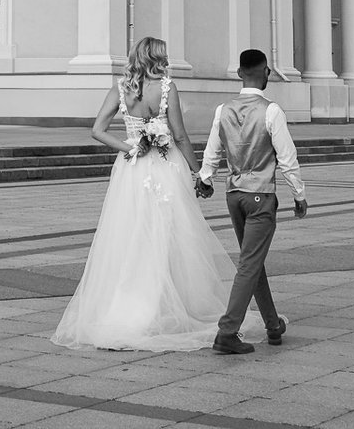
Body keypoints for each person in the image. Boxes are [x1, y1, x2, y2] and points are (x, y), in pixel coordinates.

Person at [52, 36, 232, 351]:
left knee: (131, 234)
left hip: (131, 171)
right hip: (165, 168)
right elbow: (179, 134)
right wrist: (197, 172)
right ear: (158, 57)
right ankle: (164, 304)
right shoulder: (166, 88)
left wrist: (130, 147)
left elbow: (97, 130)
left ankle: (130, 305)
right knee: (169, 234)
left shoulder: (121, 89)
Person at [196, 48, 309, 355]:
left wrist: (206, 178)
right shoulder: (271, 111)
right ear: (265, 72)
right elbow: (287, 158)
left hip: (234, 194)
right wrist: (298, 193)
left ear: (239, 73)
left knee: (252, 260)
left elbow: (212, 150)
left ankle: (273, 325)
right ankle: (227, 331)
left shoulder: (223, 109)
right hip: (261, 196)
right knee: (249, 264)